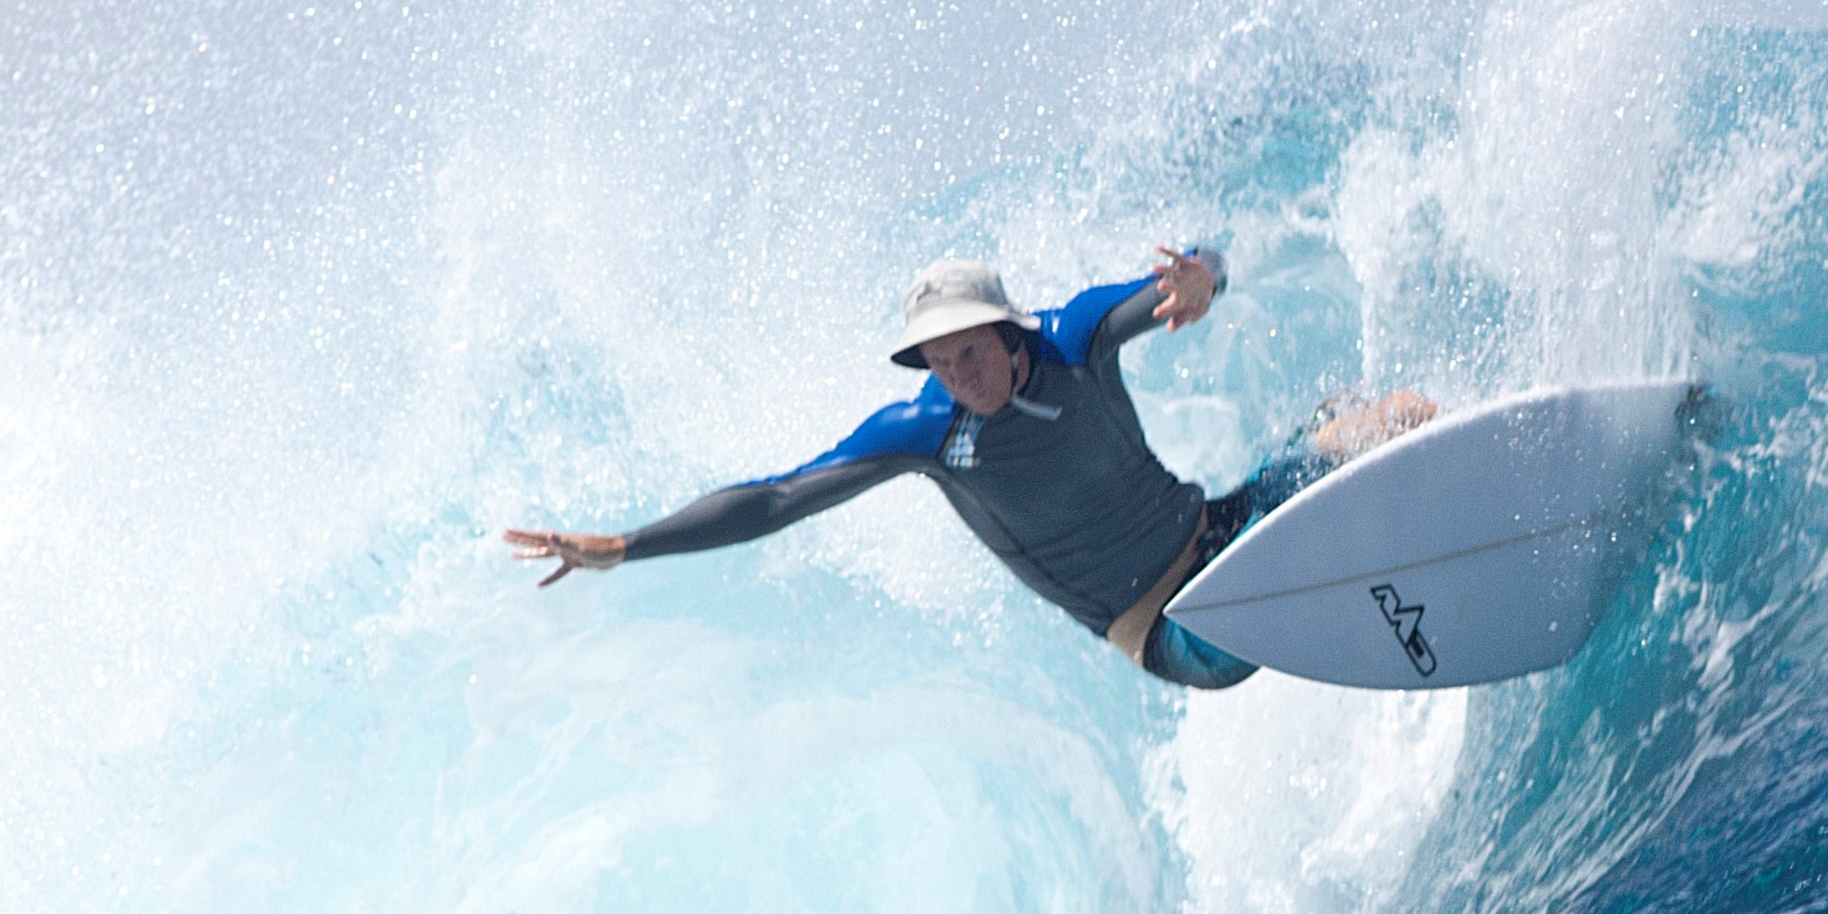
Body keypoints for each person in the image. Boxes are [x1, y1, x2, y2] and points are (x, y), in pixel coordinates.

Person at [503, 248, 1433, 689]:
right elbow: (776, 499)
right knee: (1247, 633)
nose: (958, 373)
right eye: (938, 360)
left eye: (969, 351)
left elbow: (1192, 274)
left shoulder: (1073, 344)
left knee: (1381, 426)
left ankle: (1421, 447)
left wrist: (1202, 280)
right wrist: (627, 545)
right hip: (1170, 625)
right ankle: (1366, 572)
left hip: (1214, 531)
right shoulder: (922, 433)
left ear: (1008, 331)